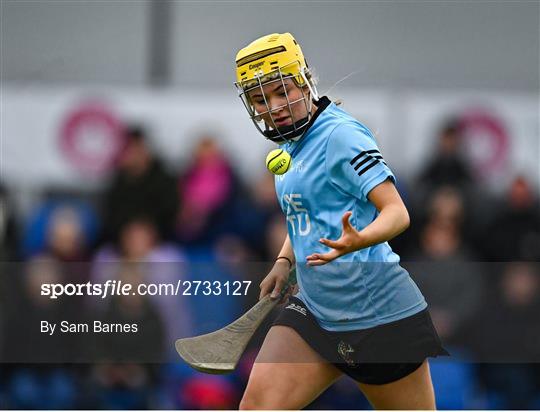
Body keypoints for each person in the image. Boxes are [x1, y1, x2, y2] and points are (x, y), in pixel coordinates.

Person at [233, 33, 448, 410]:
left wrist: (356, 240)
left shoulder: (341, 136)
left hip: (377, 316)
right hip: (315, 313)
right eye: (261, 99)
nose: (274, 106)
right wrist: (285, 262)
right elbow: (305, 214)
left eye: (282, 91)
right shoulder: (290, 145)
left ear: (304, 83)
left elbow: (397, 213)